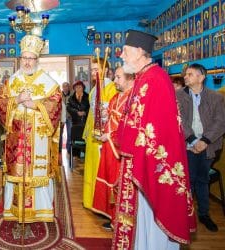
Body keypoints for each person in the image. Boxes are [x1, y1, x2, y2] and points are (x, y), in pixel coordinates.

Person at [114, 29, 196, 249]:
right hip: (140, 160)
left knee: (153, 217)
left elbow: (155, 130)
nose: (121, 55)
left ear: (140, 51)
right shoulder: (145, 77)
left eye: (126, 51)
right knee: (142, 218)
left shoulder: (155, 79)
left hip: (150, 163)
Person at [0, 35, 62, 222]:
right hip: (17, 138)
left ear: (37, 60)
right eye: (24, 57)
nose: (27, 61)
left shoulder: (48, 82)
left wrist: (35, 104)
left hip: (38, 138)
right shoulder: (12, 81)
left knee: (37, 175)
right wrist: (16, 100)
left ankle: (42, 212)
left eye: (30, 58)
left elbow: (56, 102)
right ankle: (14, 211)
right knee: (17, 173)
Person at [176, 63, 225, 232]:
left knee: (202, 181)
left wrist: (204, 141)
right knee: (187, 181)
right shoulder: (178, 95)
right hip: (186, 145)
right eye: (186, 74)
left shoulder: (216, 97)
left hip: (208, 146)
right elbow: (179, 120)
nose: (185, 77)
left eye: (190, 74)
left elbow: (220, 122)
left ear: (201, 77)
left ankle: (204, 214)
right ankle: (184, 215)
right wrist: (192, 140)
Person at [91, 67, 134, 230]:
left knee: (119, 184)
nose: (115, 81)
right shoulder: (116, 97)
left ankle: (122, 221)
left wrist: (109, 136)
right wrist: (104, 113)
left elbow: (129, 127)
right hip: (109, 147)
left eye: (118, 77)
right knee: (109, 180)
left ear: (130, 78)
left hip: (119, 149)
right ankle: (113, 218)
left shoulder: (134, 99)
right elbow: (111, 117)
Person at [82, 58, 116, 210]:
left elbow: (112, 114)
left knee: (101, 170)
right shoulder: (95, 88)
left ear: (106, 70)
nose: (93, 72)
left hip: (103, 137)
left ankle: (101, 204)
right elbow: (91, 114)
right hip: (93, 136)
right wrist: (87, 132)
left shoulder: (111, 88)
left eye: (97, 69)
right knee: (91, 167)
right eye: (92, 69)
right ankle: (90, 201)